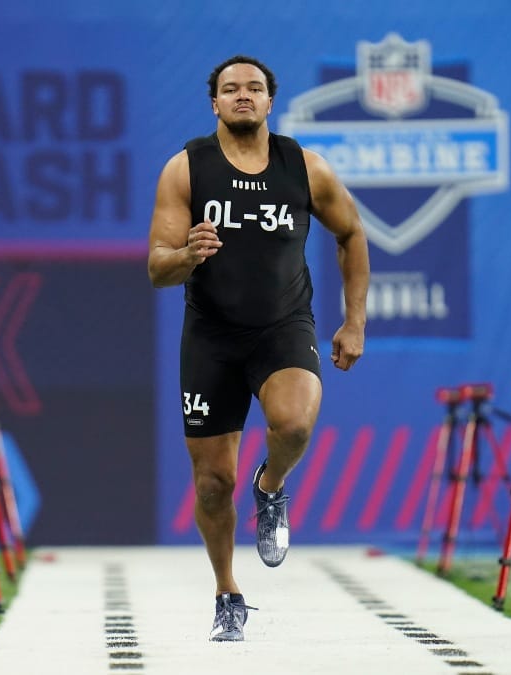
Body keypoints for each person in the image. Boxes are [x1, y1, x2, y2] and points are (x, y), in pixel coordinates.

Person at [146, 55, 370, 641]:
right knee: (213, 484)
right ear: (213, 103)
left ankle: (270, 488)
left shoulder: (306, 168)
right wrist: (187, 256)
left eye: (254, 88)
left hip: (282, 327)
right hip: (213, 338)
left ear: (271, 101)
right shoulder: (186, 169)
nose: (242, 96)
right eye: (230, 89)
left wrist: (354, 322)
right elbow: (156, 268)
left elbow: (350, 233)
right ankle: (227, 594)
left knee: (293, 424)